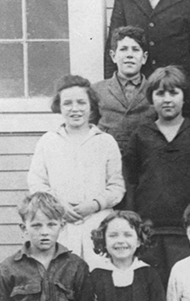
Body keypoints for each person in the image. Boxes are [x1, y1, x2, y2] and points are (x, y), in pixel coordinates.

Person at [123, 66, 190, 285]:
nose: (167, 99)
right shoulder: (141, 134)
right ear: (151, 98)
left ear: (184, 97)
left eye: (174, 93)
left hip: (187, 230)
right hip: (150, 228)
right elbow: (131, 179)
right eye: (160, 93)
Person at [28, 75, 125, 269]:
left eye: (81, 102)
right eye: (68, 103)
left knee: (98, 278)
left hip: (98, 223)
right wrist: (58, 206)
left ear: (91, 106)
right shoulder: (48, 141)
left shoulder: (105, 141)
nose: (75, 109)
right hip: (61, 224)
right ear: (59, 107)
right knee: (63, 278)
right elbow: (37, 183)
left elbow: (116, 186)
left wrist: (94, 204)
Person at [93, 26, 154, 151]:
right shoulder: (97, 90)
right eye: (123, 49)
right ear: (113, 56)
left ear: (144, 58)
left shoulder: (154, 90)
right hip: (107, 155)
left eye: (135, 50)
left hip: (143, 158)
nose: (129, 55)